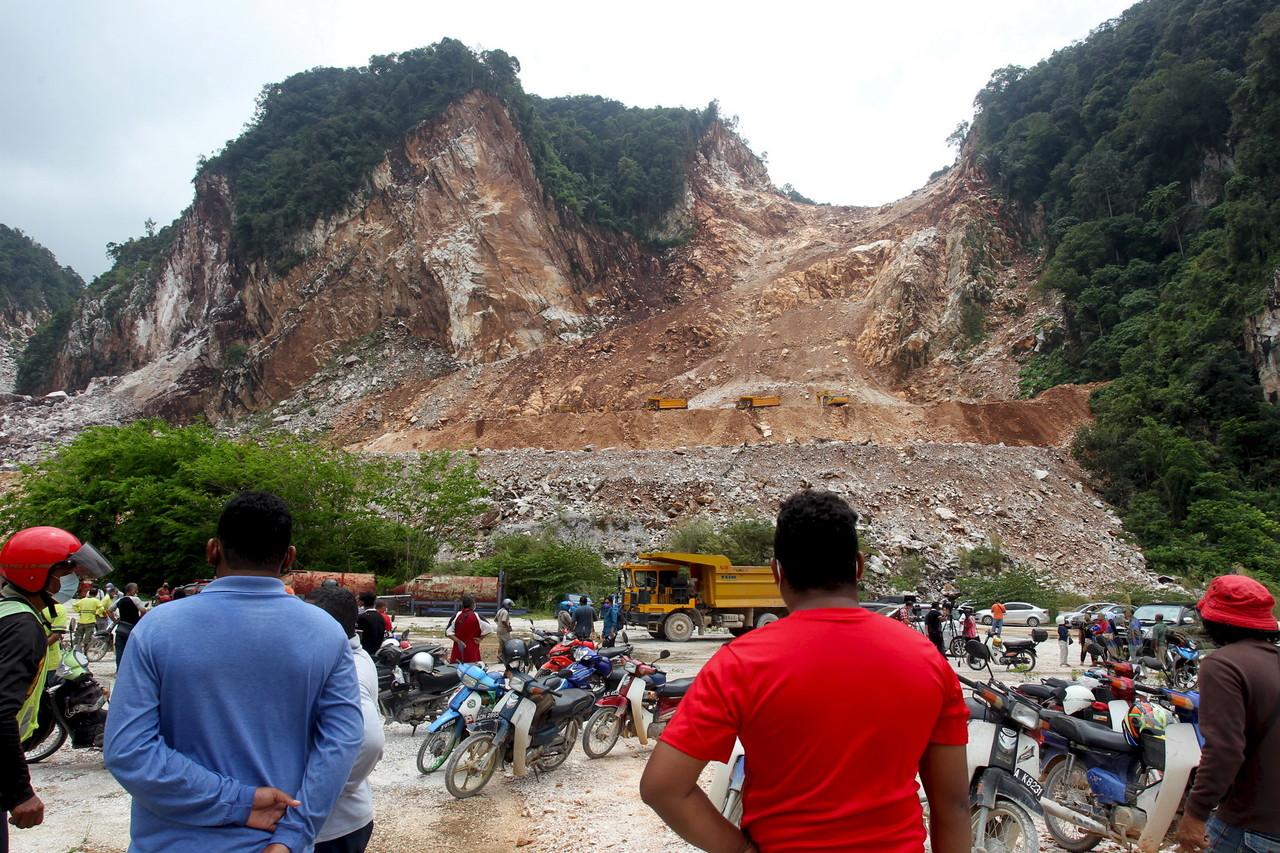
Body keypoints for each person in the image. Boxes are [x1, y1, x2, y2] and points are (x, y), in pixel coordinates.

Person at [639, 490, 970, 852]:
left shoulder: (740, 663)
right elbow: (952, 804)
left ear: (776, 571)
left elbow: (663, 787)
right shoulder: (927, 660)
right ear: (858, 566)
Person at [104, 492, 363, 853]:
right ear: (289, 557)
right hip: (275, 844)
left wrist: (240, 801)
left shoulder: (157, 628)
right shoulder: (326, 632)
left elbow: (129, 751)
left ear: (213, 550)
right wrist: (294, 835)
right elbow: (342, 742)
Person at [0, 526, 112, 848]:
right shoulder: (23, 626)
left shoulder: (8, 612)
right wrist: (21, 792)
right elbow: (2, 712)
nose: (72, 579)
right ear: (37, 574)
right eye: (65, 570)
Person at [1176, 575, 1280, 853]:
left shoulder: (1223, 665)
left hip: (1254, 823)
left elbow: (1224, 750)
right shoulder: (1273, 660)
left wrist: (1195, 814)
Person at [308, 586, 384, 853]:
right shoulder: (348, 658)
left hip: (331, 826)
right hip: (342, 820)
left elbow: (371, 742)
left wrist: (324, 789)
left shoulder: (347, 669)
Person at [106, 582, 145, 666]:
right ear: (132, 590)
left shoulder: (120, 600)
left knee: (120, 652)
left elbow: (109, 611)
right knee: (132, 651)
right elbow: (143, 611)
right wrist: (139, 620)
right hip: (132, 629)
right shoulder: (135, 599)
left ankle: (119, 671)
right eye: (136, 589)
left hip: (120, 629)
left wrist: (115, 621)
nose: (137, 590)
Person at [446, 595, 488, 664]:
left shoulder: (457, 615)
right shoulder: (477, 616)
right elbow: (489, 628)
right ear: (472, 605)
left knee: (456, 669)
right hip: (472, 649)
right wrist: (481, 638)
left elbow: (448, 632)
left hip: (458, 650)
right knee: (472, 669)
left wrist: (458, 641)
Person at [70, 585, 102, 653]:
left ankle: (74, 651)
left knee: (78, 637)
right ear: (96, 594)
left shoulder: (83, 600)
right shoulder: (96, 601)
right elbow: (102, 608)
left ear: (89, 593)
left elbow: (74, 605)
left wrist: (79, 611)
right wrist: (96, 613)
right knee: (87, 639)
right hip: (90, 622)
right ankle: (85, 652)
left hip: (81, 622)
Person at [355, 592, 385, 657]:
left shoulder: (362, 618)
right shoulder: (380, 616)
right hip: (377, 650)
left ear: (362, 602)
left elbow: (358, 637)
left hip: (366, 652)